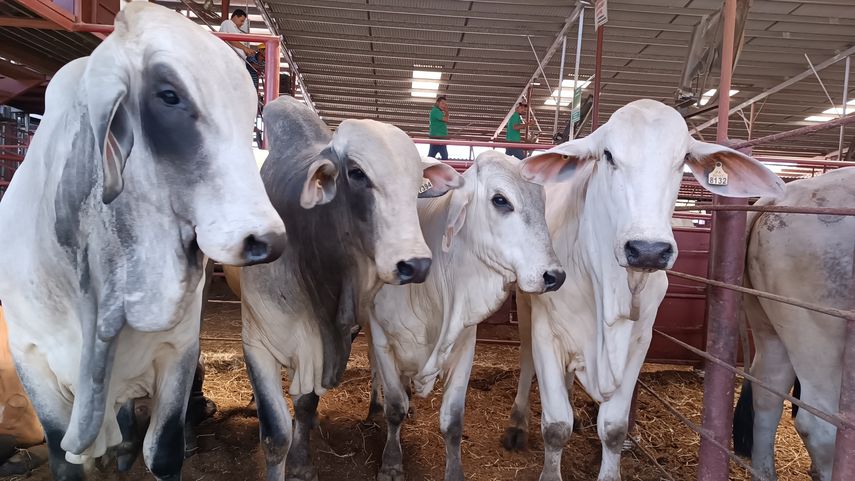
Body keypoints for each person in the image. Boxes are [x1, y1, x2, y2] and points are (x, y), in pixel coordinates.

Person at [428, 95, 449, 160]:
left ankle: (426, 168)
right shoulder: (436, 111)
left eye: (445, 104)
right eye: (442, 103)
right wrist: (446, 111)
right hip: (438, 138)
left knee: (431, 157)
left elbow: (446, 119)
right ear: (437, 103)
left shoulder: (438, 111)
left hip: (438, 137)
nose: (444, 106)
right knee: (444, 157)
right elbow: (446, 119)